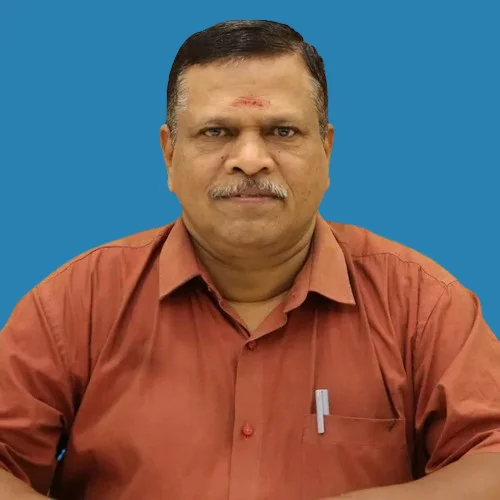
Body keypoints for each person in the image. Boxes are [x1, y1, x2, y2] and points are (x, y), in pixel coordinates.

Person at [0, 19, 499, 500]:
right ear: (169, 154)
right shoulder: (78, 303)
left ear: (326, 150)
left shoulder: (421, 304)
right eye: (216, 132)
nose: (250, 159)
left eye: (282, 131)